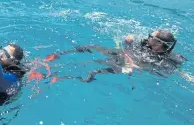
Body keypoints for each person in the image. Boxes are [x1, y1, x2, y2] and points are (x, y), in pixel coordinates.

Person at [45, 29, 187, 83]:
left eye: (151, 36)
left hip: (126, 65)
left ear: (159, 43)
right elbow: (126, 47)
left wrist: (134, 66)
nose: (148, 36)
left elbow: (168, 70)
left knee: (94, 70)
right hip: (123, 56)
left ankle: (66, 78)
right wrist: (126, 41)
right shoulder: (144, 43)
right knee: (92, 47)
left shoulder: (166, 59)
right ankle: (59, 55)